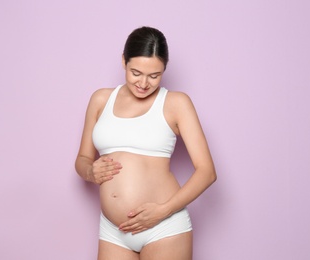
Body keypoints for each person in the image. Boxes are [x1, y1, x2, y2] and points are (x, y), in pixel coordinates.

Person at [75, 26, 216, 260]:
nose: (143, 83)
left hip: (164, 226)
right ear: (123, 61)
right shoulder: (101, 100)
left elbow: (207, 172)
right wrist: (90, 171)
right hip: (113, 230)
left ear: (164, 70)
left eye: (154, 76)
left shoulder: (176, 103)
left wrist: (163, 211)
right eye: (136, 72)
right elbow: (82, 160)